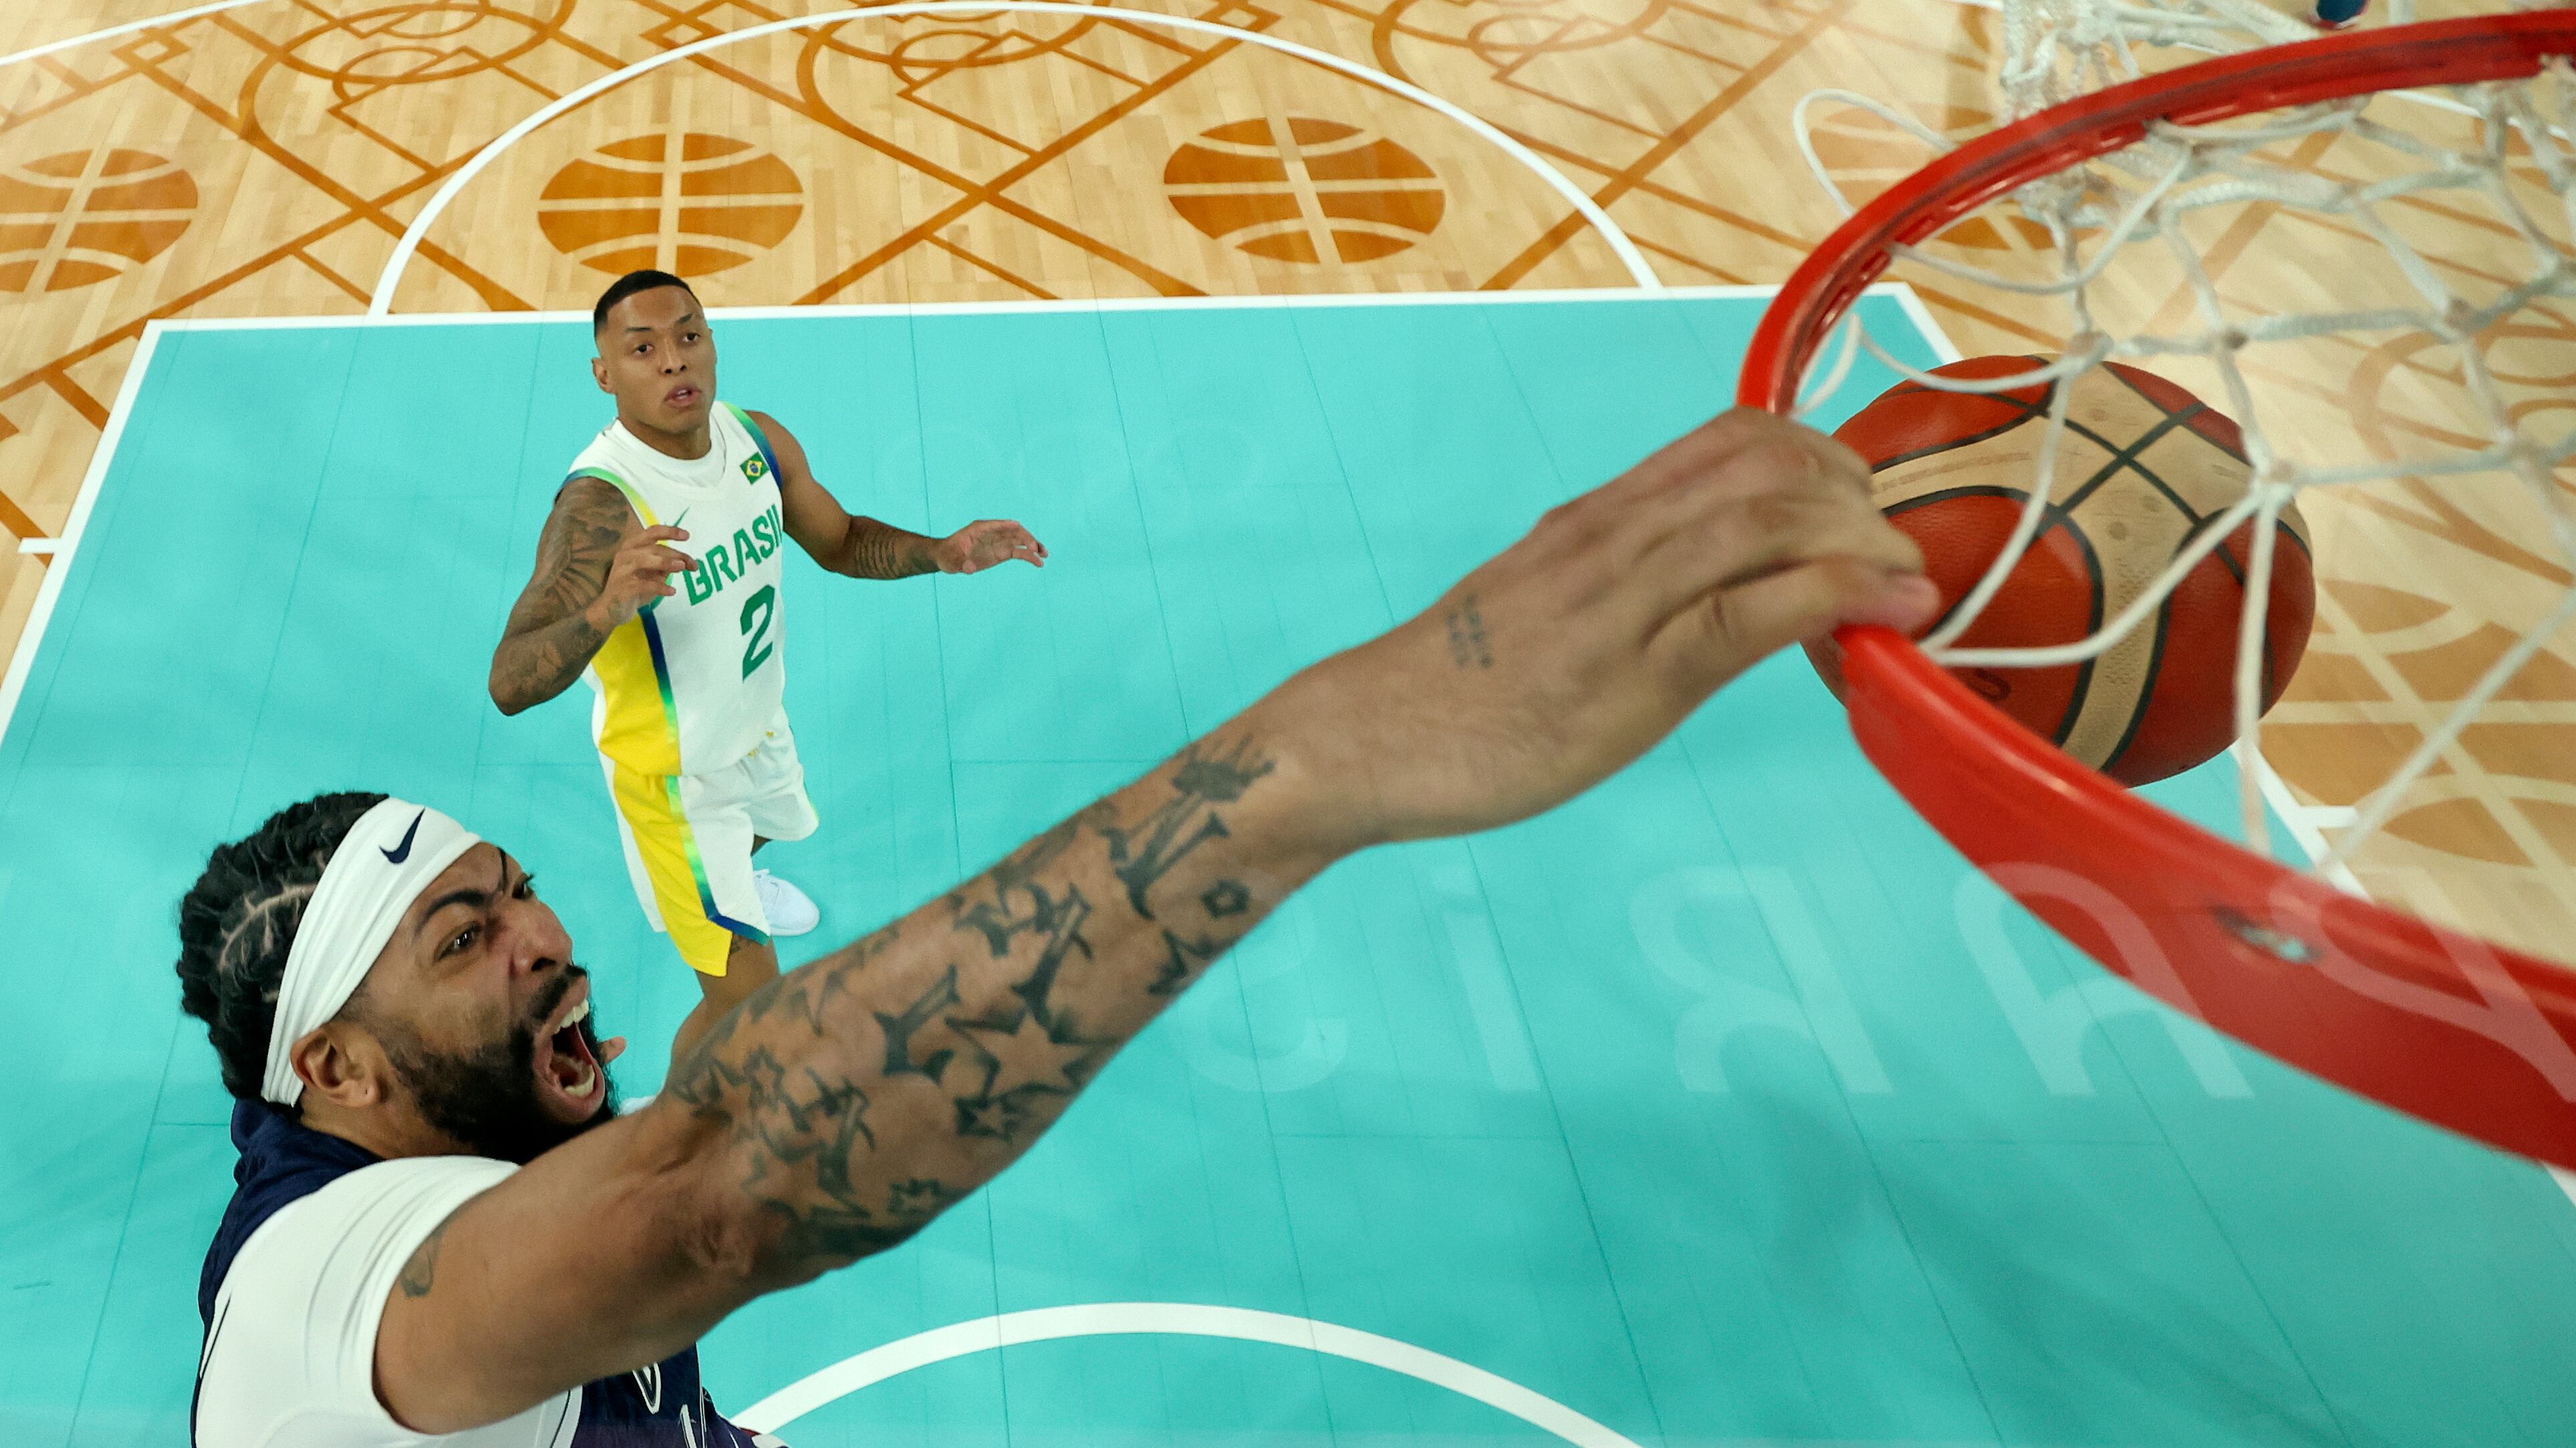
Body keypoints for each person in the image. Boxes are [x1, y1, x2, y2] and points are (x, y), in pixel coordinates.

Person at [182, 406, 1940, 1445]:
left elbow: (691, 1150)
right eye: (461, 938)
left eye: (514, 890)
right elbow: (710, 1192)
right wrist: (1329, 753)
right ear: (335, 1067)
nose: (542, 938)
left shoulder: (473, 1171)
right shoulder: (312, 1296)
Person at [487, 271, 1047, 1069]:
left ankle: (739, 885)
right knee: (747, 1012)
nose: (673, 360)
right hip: (678, 782)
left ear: (712, 342)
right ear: (603, 374)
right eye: (642, 349)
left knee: (761, 832)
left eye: (688, 335)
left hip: (754, 724)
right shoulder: (602, 506)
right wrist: (605, 609)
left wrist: (941, 552)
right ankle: (661, 1128)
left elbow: (840, 539)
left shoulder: (755, 439)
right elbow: (508, 682)